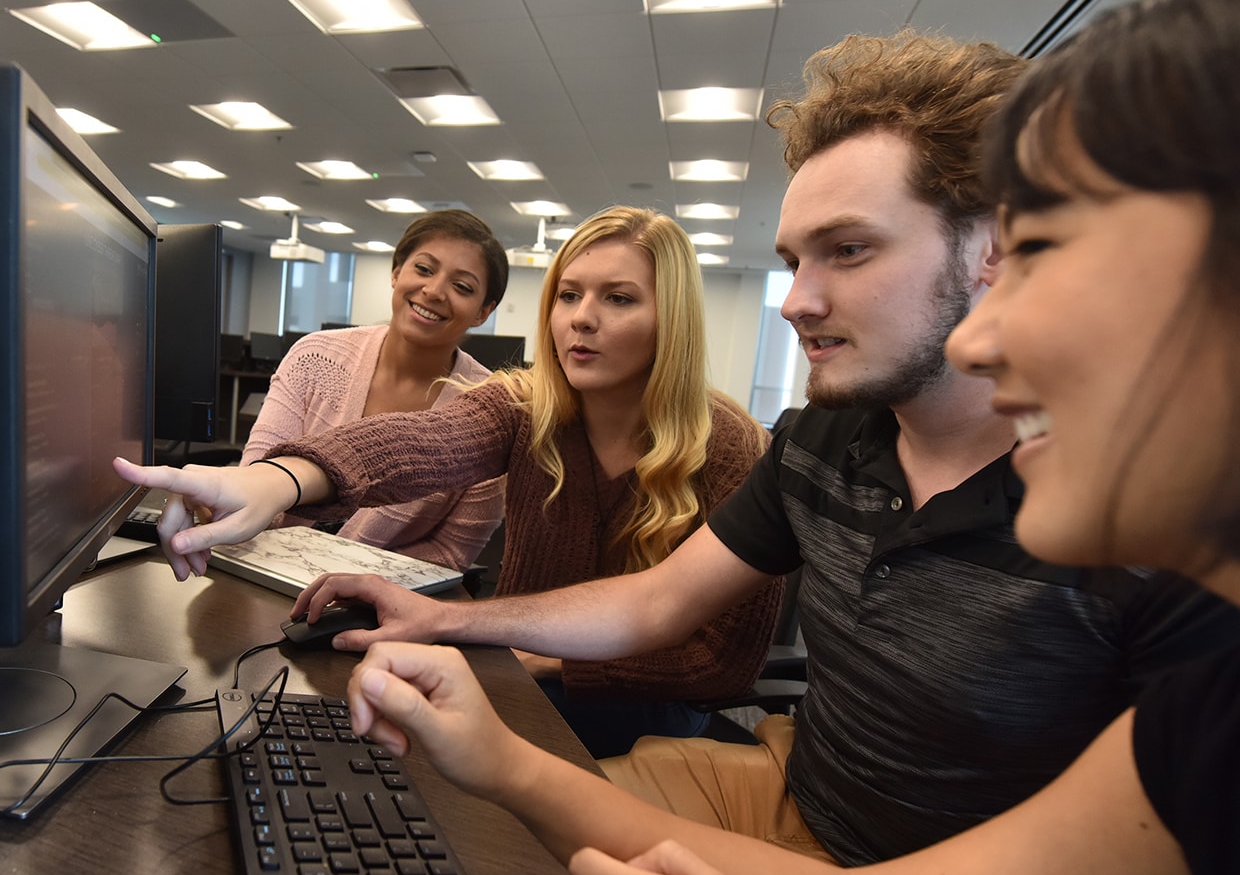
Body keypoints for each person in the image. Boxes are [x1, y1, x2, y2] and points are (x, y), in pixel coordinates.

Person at [144, 33, 1240, 875]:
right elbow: (651, 595)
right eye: (790, 261)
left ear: (993, 247)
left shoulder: (1157, 516)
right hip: (793, 791)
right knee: (464, 867)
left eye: (849, 250)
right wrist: (426, 606)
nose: (796, 300)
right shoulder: (832, 432)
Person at [343, 0, 1240, 875]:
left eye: (1055, 252)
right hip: (831, 832)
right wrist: (467, 679)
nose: (1001, 329)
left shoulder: (1215, 617)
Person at [116, 206, 782, 756]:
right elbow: (415, 443)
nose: (582, 317)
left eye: (619, 299)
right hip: (516, 676)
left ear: (672, 321)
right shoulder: (525, 407)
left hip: (648, 714)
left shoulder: (730, 447)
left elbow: (723, 663)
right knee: (341, 733)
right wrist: (277, 481)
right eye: (569, 295)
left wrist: (539, 657)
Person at [241, 209, 507, 570]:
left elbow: (451, 553)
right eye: (424, 269)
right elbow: (255, 479)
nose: (433, 291)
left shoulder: (491, 413)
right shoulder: (316, 356)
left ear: (483, 312)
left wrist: (351, 580)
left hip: (375, 610)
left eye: (462, 287)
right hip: (260, 571)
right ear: (396, 273)